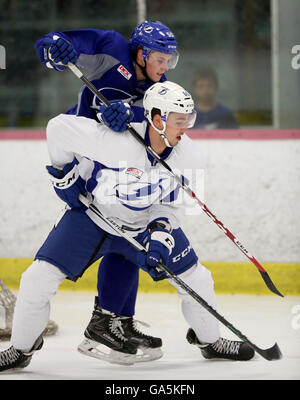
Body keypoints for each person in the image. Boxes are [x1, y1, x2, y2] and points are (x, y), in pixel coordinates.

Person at [0, 81, 254, 372]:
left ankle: (211, 342)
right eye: (179, 120)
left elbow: (171, 207)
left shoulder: (190, 156)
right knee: (36, 279)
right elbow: (57, 128)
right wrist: (64, 174)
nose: (186, 127)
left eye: (189, 119)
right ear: (157, 119)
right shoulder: (115, 139)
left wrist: (160, 235)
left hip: (143, 224)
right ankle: (20, 349)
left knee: (198, 279)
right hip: (94, 216)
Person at [35, 20, 180, 360]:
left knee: (129, 235)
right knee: (120, 235)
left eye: (171, 61)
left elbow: (162, 122)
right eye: (160, 59)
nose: (165, 67)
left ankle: (116, 319)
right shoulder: (111, 50)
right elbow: (51, 42)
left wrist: (129, 112)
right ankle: (103, 322)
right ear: (140, 53)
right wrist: (55, 49)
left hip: (115, 171)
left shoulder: (160, 87)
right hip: (86, 163)